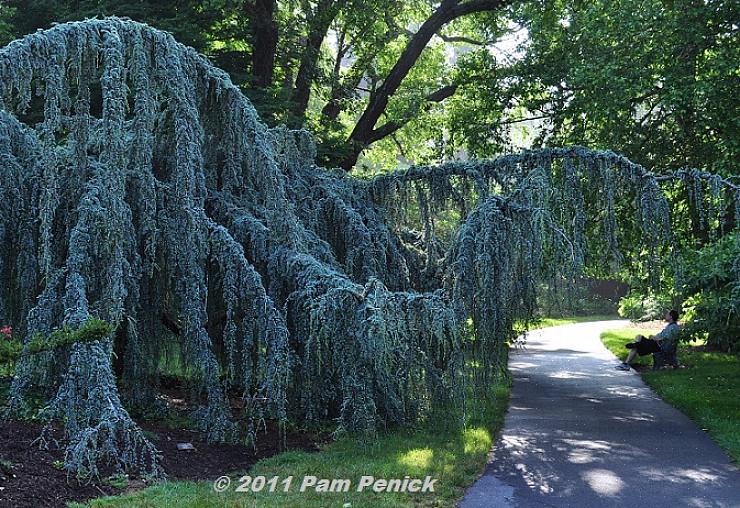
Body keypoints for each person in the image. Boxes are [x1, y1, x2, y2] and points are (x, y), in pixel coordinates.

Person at [615, 310, 680, 371]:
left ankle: (626, 363)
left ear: (671, 316)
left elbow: (664, 338)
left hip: (659, 347)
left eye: (667, 315)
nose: (666, 316)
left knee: (637, 344)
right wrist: (654, 337)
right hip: (656, 344)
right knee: (639, 337)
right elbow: (662, 337)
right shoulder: (670, 326)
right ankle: (634, 347)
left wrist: (654, 338)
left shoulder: (674, 327)